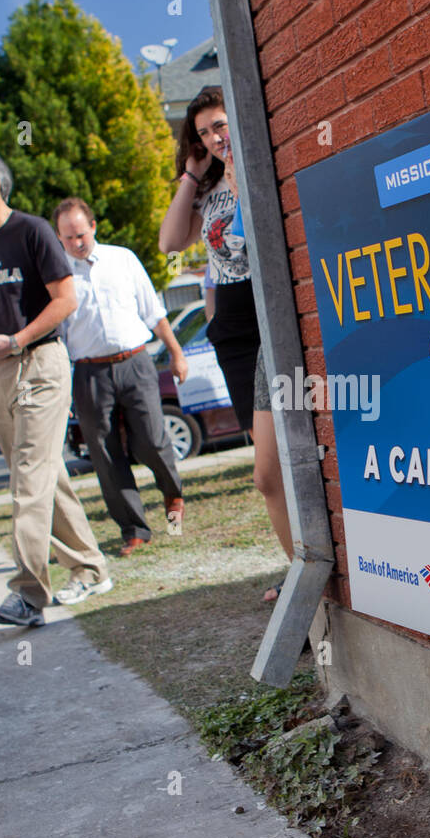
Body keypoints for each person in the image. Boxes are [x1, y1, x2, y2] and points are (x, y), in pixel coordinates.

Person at [0, 149, 112, 623]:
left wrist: (15, 339)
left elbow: (65, 300)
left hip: (39, 362)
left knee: (27, 479)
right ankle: (91, 567)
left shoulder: (32, 231)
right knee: (43, 475)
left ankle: (29, 595)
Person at [158, 86, 292, 601]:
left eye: (219, 125)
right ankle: (297, 576)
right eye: (203, 133)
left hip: (269, 317)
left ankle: (309, 580)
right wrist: (193, 173)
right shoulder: (208, 185)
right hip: (232, 331)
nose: (214, 138)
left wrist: (241, 176)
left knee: (268, 472)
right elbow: (171, 242)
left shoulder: (259, 162)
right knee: (271, 469)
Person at [53, 196, 188, 556]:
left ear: (93, 227)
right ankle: (134, 529)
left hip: (136, 361)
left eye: (81, 234)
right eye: (67, 238)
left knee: (151, 440)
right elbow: (60, 336)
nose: (76, 243)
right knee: (105, 453)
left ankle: (172, 494)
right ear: (59, 238)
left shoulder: (122, 259)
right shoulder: (58, 277)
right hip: (89, 373)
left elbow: (153, 311)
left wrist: (176, 352)